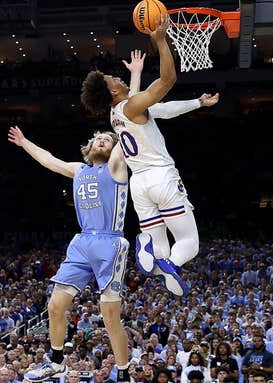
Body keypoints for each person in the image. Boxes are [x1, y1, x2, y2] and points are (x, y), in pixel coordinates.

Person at [79, 20, 219, 296]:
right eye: (113, 79)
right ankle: (170, 264)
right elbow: (167, 81)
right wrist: (161, 41)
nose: (117, 77)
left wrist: (197, 103)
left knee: (161, 249)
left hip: (140, 186)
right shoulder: (131, 106)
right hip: (162, 178)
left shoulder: (115, 114)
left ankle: (154, 253)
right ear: (113, 92)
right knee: (189, 242)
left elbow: (159, 109)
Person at [8, 126, 131, 383]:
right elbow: (49, 160)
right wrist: (24, 142)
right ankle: (56, 362)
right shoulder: (79, 169)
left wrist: (124, 100)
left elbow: (127, 123)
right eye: (98, 138)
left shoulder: (117, 166)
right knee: (55, 306)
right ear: (89, 146)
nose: (102, 141)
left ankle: (123, 372)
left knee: (109, 315)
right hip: (82, 241)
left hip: (110, 241)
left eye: (108, 140)